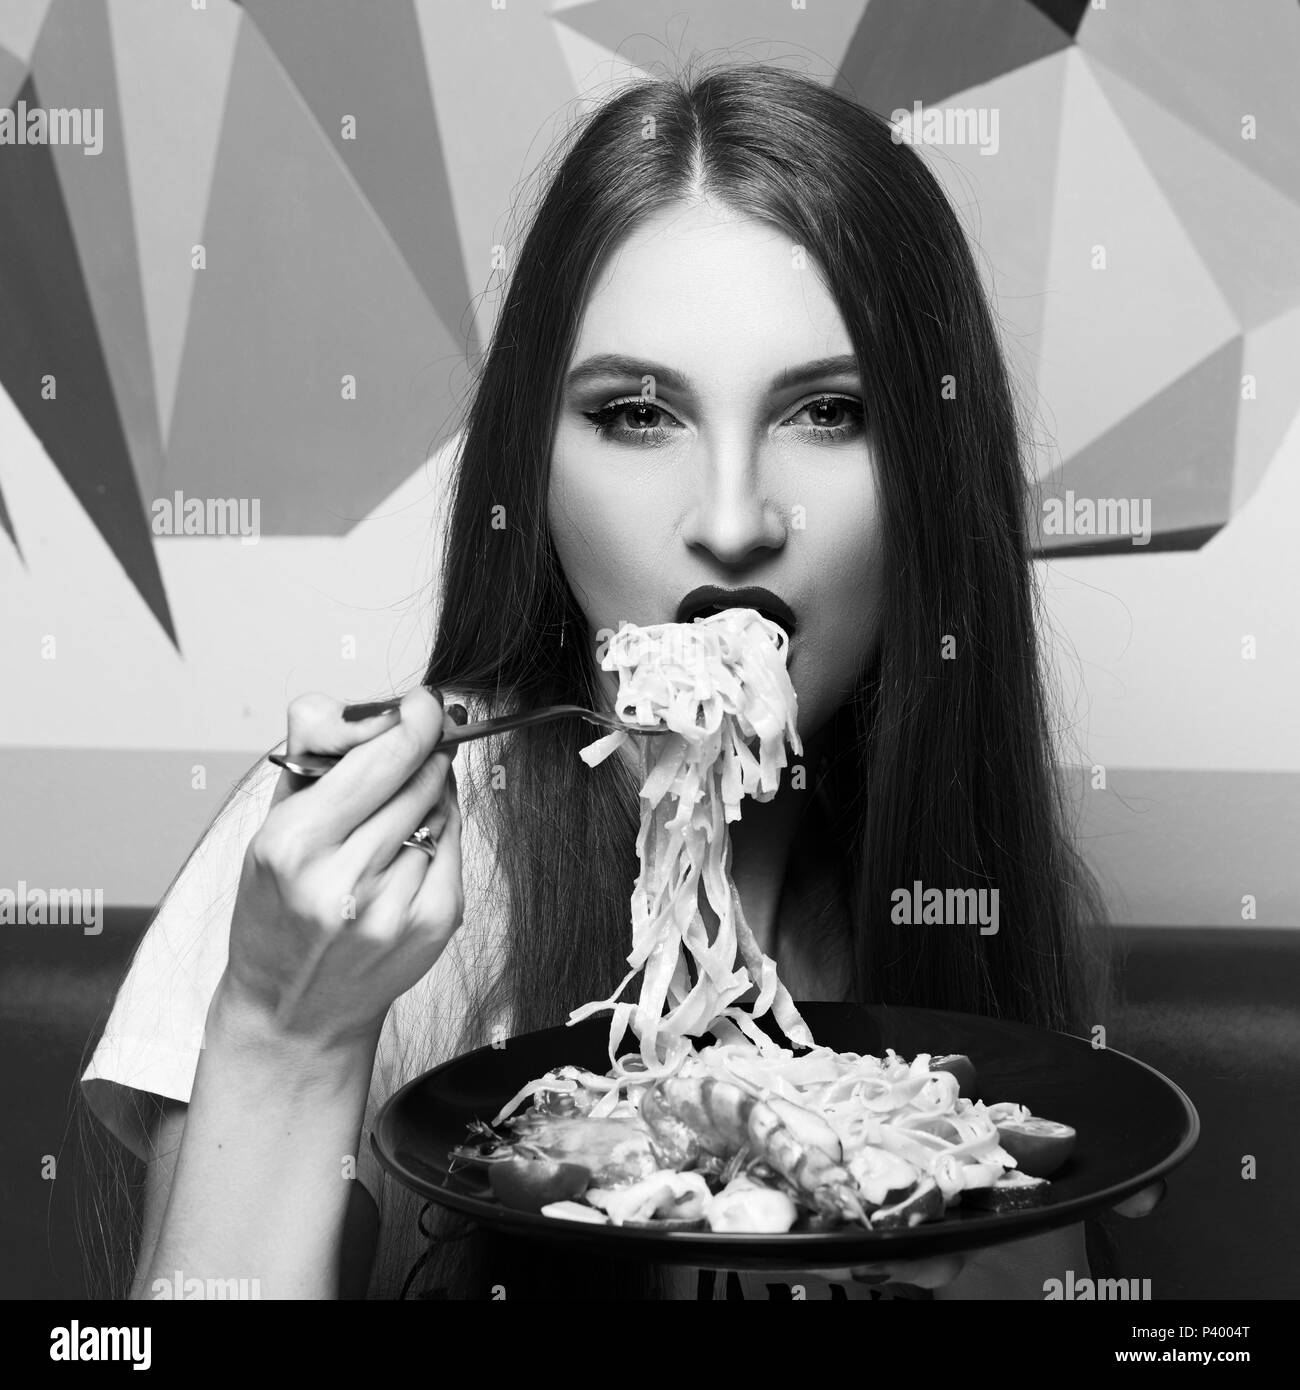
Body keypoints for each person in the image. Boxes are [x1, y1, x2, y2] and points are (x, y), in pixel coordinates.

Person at [80, 61, 1161, 1301]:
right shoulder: (357, 873)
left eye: (831, 412)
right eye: (638, 413)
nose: (733, 518)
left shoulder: (960, 892)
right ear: (532, 467)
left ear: (932, 476)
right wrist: (281, 1030)